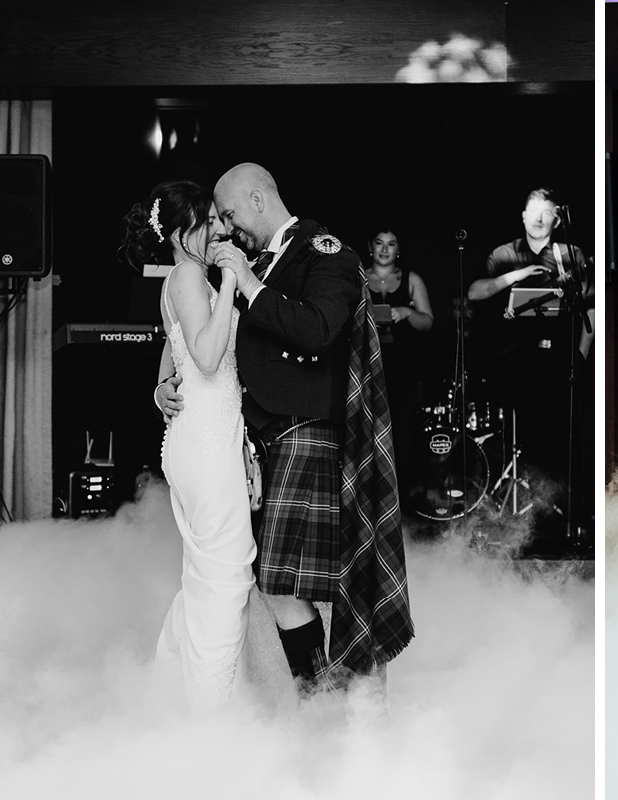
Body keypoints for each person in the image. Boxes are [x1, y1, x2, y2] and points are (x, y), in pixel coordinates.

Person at [157, 163, 414, 694]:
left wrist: (248, 284)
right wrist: (162, 383)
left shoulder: (325, 252)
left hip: (305, 433)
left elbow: (318, 330)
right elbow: (197, 338)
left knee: (301, 586)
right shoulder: (253, 264)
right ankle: (316, 698)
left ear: (257, 199)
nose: (226, 229)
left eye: (228, 215)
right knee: (274, 586)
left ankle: (331, 699)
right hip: (259, 440)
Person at [126, 181, 256, 709]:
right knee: (224, 582)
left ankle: (175, 690)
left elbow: (173, 347)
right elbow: (204, 357)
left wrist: (160, 388)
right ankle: (209, 717)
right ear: (183, 231)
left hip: (203, 437)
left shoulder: (181, 279)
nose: (221, 229)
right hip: (205, 443)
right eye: (210, 221)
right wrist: (230, 283)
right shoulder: (189, 274)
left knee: (207, 579)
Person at [467, 188, 593, 535]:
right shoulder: (504, 253)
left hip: (561, 357)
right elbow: (475, 292)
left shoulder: (570, 254)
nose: (539, 218)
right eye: (533, 211)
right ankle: (531, 519)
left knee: (565, 437)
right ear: (522, 215)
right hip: (517, 359)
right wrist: (515, 277)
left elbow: (591, 307)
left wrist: (580, 354)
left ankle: (568, 516)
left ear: (557, 217)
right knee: (528, 437)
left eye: (547, 212)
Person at [366, 226, 434, 490]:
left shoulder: (411, 279)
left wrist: (406, 311)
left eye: (391, 244)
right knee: (368, 431)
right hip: (368, 366)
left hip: (402, 367)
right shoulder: (358, 276)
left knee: (401, 433)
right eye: (379, 243)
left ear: (398, 250)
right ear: (369, 246)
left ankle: (399, 499)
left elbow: (428, 322)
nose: (384, 249)